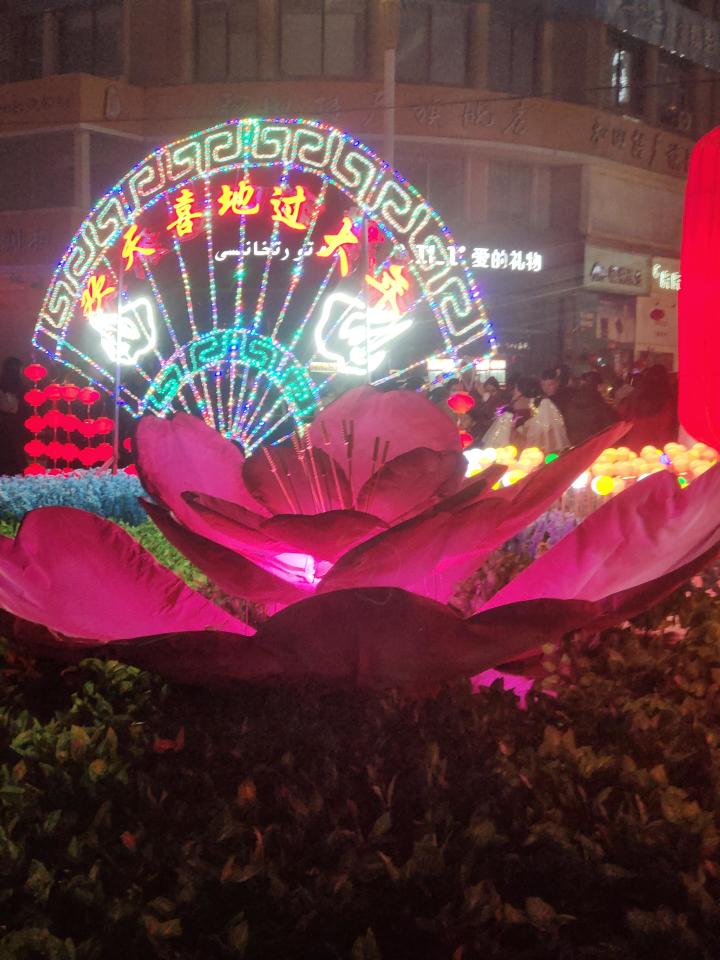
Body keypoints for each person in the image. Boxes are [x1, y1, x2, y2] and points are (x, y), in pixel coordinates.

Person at [617, 364, 678, 450]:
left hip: (631, 449)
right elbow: (665, 432)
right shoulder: (666, 403)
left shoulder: (633, 398)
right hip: (655, 451)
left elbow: (621, 420)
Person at [562, 370, 619, 446]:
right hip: (599, 449)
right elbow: (613, 430)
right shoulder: (601, 407)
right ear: (599, 386)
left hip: (578, 448)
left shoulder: (571, 404)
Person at [0, 357, 27, 475]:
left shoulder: (5, 382)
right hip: (13, 422)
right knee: (14, 449)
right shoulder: (20, 385)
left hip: (7, 421)